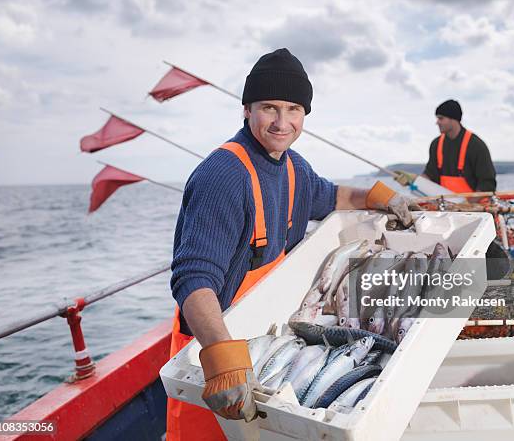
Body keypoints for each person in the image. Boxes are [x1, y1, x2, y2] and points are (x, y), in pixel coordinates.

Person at [166, 48, 413, 440]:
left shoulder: (294, 167)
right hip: (209, 357)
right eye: (270, 108)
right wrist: (220, 359)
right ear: (247, 110)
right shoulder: (223, 177)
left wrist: (380, 196)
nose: (283, 122)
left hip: (269, 343)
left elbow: (333, 197)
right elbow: (193, 279)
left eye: (294, 109)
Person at [422, 99, 496, 193]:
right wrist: (413, 182)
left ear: (453, 119)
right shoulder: (436, 144)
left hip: (475, 206)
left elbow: (487, 184)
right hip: (446, 205)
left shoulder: (476, 145)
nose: (437, 122)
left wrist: (468, 205)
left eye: (441, 118)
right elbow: (430, 175)